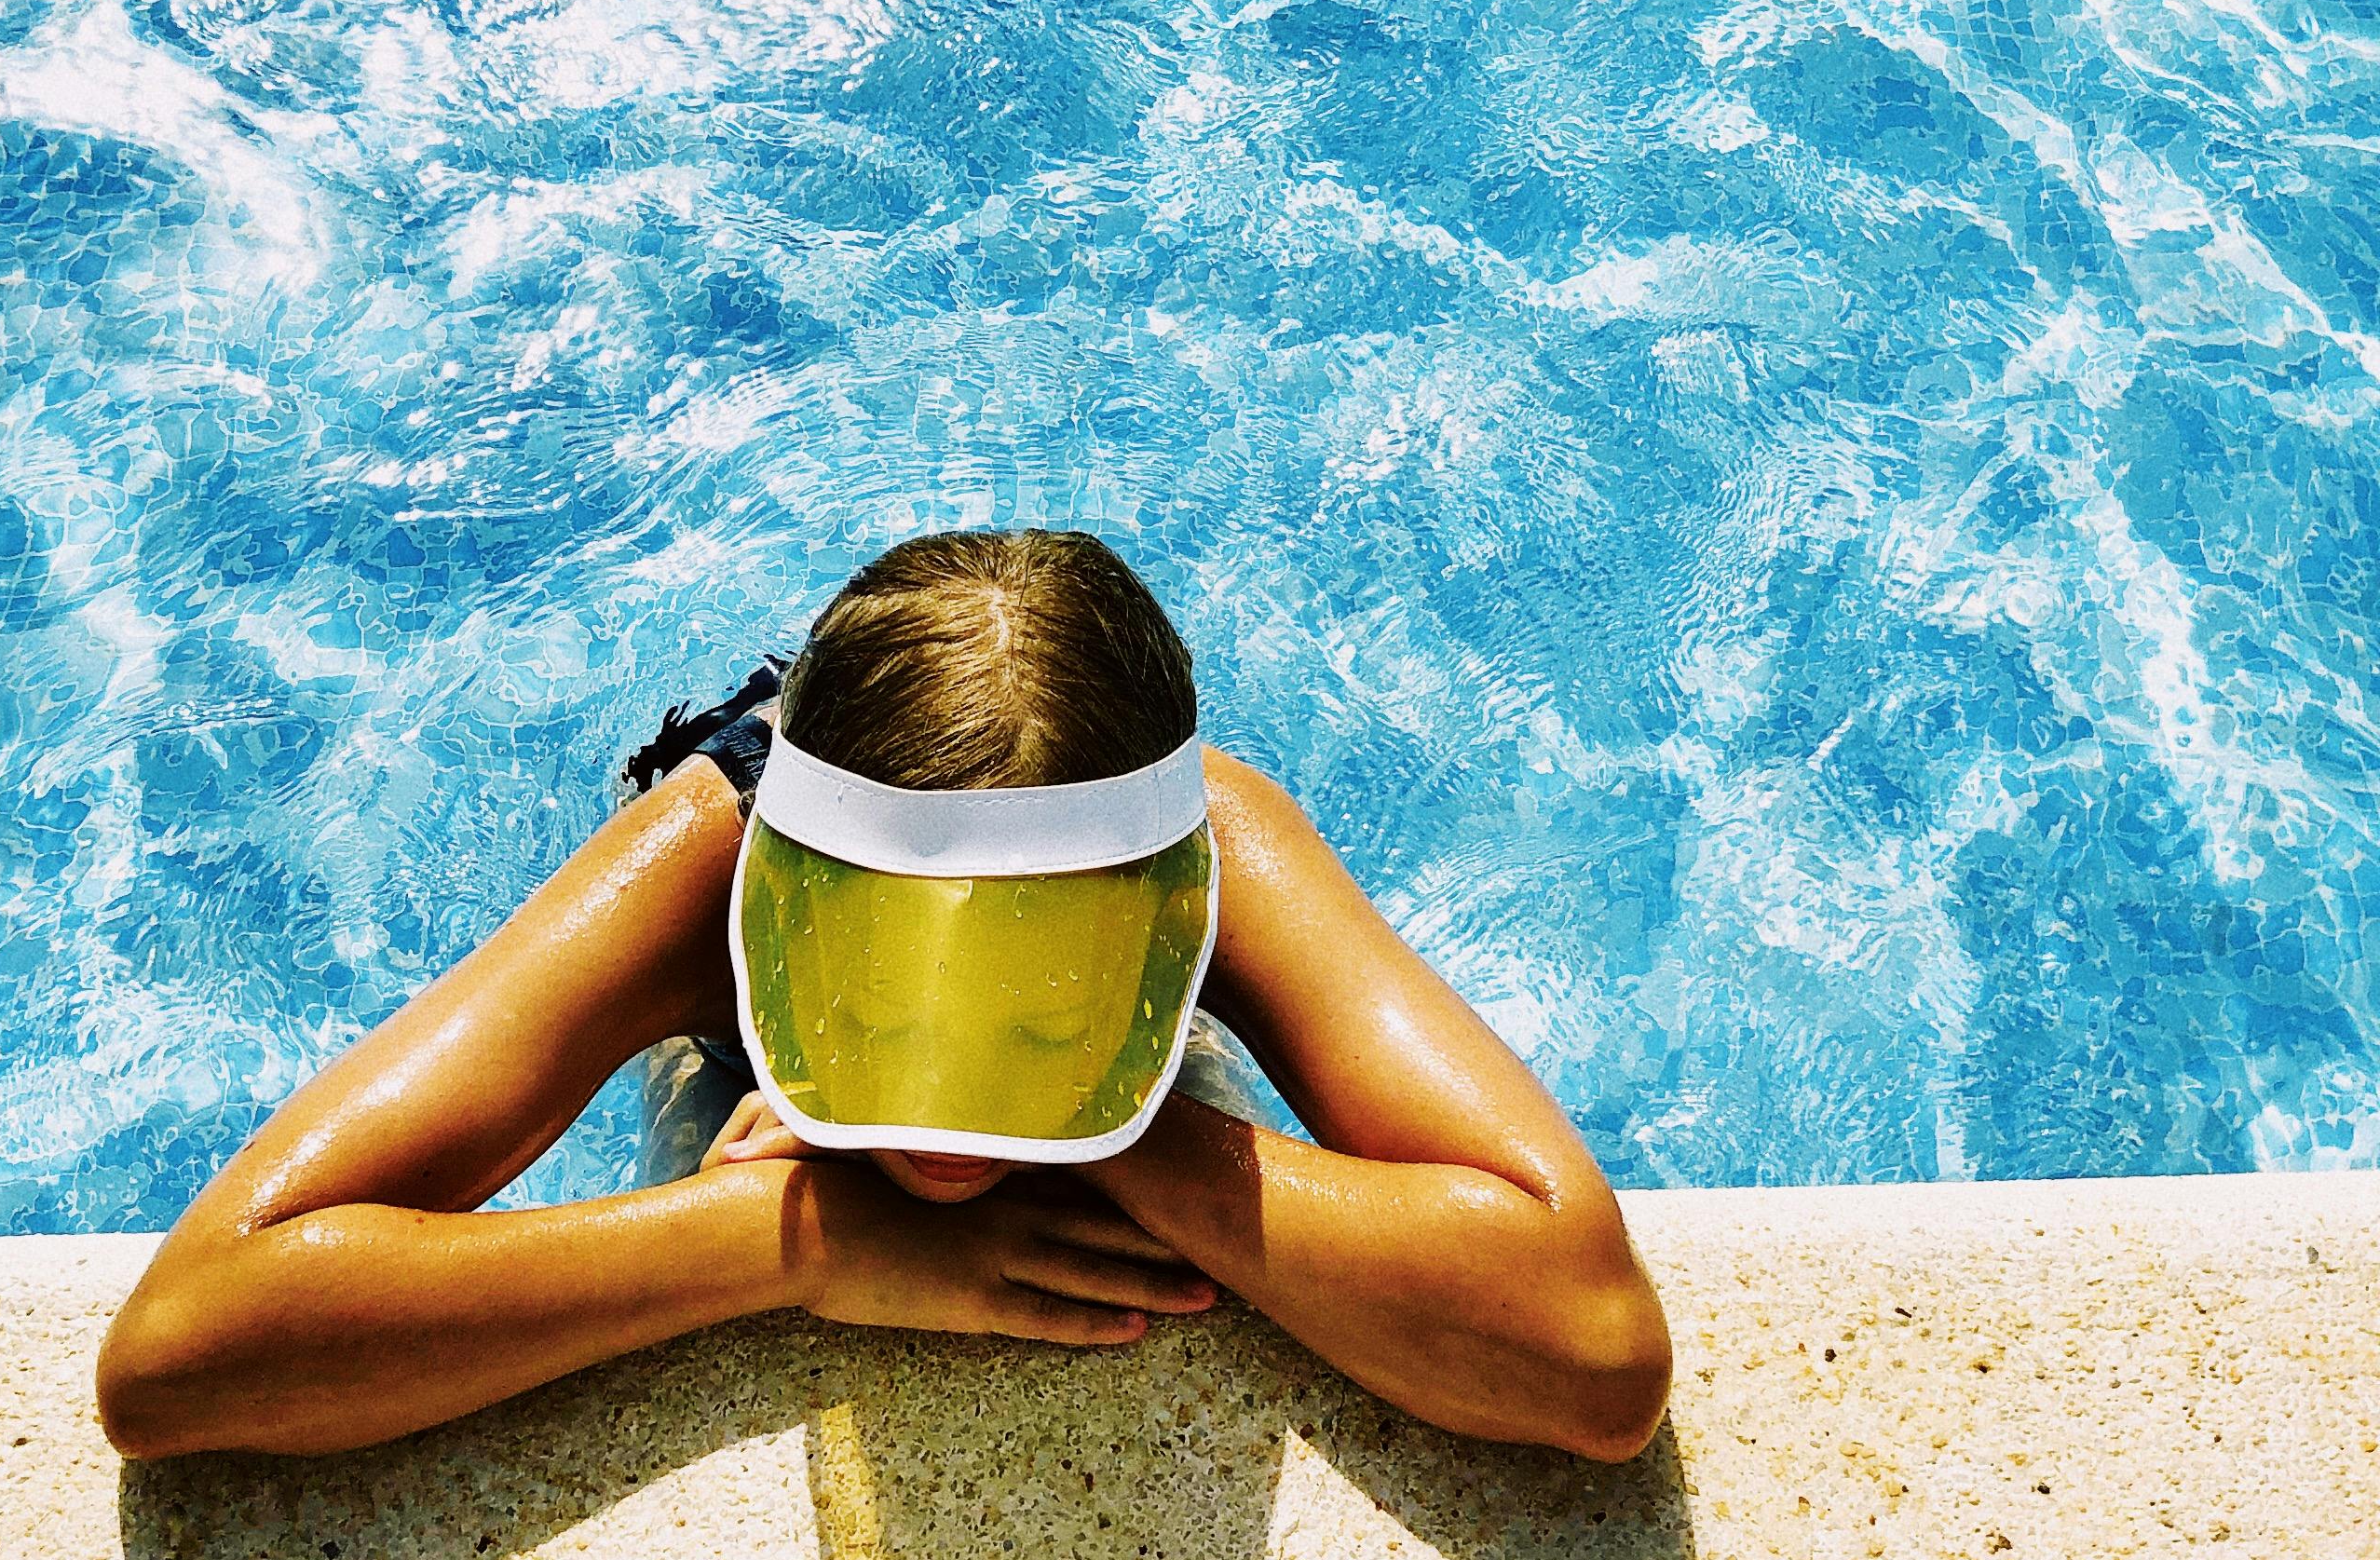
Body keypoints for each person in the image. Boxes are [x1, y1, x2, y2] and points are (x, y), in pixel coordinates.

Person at [96, 530, 1672, 1466]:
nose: (948, 1114)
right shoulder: (697, 870)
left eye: (1038, 1023)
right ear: (783, 922)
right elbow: (183, 1353)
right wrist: (775, 1241)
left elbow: (1591, 1357)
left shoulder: (1226, 851)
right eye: (885, 1021)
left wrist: (1122, 1140)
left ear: (1162, 926)